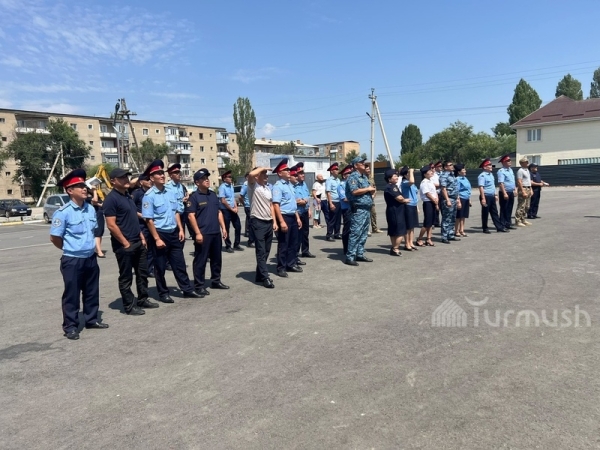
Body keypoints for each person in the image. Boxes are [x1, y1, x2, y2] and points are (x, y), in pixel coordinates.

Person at [49, 169, 108, 340]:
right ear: (69, 190)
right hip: (73, 259)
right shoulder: (63, 212)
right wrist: (71, 249)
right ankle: (71, 326)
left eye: (84, 185)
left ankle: (91, 319)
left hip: (90, 257)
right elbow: (55, 238)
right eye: (79, 186)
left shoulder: (90, 209)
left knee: (91, 291)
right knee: (72, 294)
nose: (84, 188)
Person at [142, 159, 202, 303]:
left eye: (162, 173)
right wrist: (156, 238)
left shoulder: (170, 192)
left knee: (179, 263)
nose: (162, 175)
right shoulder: (149, 196)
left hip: (173, 232)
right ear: (151, 178)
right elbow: (148, 220)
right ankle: (163, 293)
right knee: (160, 266)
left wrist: (181, 229)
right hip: (160, 233)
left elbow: (176, 212)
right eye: (157, 174)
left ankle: (187, 289)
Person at [103, 168, 158, 316]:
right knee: (126, 276)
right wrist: (125, 243)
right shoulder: (111, 199)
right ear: (113, 181)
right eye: (121, 178)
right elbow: (111, 225)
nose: (126, 180)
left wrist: (141, 236)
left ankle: (143, 299)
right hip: (124, 245)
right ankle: (129, 305)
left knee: (142, 273)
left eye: (126, 177)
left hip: (137, 241)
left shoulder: (127, 196)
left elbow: (133, 218)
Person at [187, 168, 230, 296]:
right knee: (201, 259)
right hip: (203, 233)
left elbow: (218, 212)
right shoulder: (194, 197)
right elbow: (191, 216)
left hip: (215, 232)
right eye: (203, 178)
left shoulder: (212, 195)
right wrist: (197, 233)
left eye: (207, 178)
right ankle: (199, 285)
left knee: (217, 259)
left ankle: (216, 280)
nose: (207, 180)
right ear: (196, 182)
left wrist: (223, 227)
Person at [247, 166, 278, 288]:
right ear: (257, 176)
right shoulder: (253, 186)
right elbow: (250, 175)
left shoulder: (267, 189)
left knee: (266, 250)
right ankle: (265, 277)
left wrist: (274, 221)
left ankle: (259, 275)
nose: (266, 176)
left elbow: (271, 206)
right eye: (263, 174)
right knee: (260, 250)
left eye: (266, 174)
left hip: (268, 221)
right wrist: (262, 167)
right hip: (258, 222)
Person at [272, 158, 303, 277]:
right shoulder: (278, 186)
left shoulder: (289, 185)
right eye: (286, 170)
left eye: (289, 169)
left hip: (292, 216)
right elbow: (276, 205)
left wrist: (297, 218)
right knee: (283, 243)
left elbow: (292, 204)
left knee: (293, 242)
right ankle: (281, 267)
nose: (289, 171)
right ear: (280, 173)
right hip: (284, 216)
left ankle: (291, 264)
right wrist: (281, 221)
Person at [344, 157, 375, 266]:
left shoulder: (364, 177)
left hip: (366, 208)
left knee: (363, 233)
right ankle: (350, 256)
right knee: (356, 232)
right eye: (361, 162)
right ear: (355, 165)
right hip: (358, 209)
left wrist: (371, 191)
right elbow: (354, 191)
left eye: (363, 162)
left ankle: (359, 254)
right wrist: (368, 189)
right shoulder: (353, 176)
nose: (363, 164)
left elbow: (369, 189)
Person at [478, 158, 509, 233]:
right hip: (485, 196)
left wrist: (495, 194)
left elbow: (492, 186)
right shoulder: (482, 176)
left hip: (491, 196)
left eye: (491, 164)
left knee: (494, 212)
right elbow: (481, 187)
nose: (491, 166)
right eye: (489, 165)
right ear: (484, 167)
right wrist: (483, 198)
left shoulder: (491, 175)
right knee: (485, 213)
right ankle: (485, 228)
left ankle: (499, 227)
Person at [384, 169, 410, 256]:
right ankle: (395, 248)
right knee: (400, 231)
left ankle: (394, 247)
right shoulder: (392, 187)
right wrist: (405, 200)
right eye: (394, 176)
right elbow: (399, 198)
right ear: (389, 178)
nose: (397, 177)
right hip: (396, 211)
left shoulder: (391, 186)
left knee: (394, 230)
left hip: (393, 210)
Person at [133, 174, 154, 277]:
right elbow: (132, 209)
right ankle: (141, 269)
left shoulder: (153, 193)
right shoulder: (137, 194)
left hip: (152, 224)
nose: (149, 181)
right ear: (141, 182)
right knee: (143, 248)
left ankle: (149, 269)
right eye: (147, 180)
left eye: (150, 179)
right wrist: (143, 216)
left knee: (151, 248)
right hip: (142, 224)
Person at [292, 162, 315, 258]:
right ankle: (295, 255)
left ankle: (305, 251)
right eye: (301, 174)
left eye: (303, 173)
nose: (303, 175)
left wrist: (309, 209)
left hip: (305, 211)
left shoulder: (304, 184)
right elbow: (294, 200)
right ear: (296, 175)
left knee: (305, 233)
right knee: (297, 235)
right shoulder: (293, 185)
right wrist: (300, 201)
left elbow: (307, 197)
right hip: (298, 212)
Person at [218, 170, 243, 252]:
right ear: (224, 178)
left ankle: (237, 244)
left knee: (238, 226)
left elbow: (232, 198)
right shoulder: (222, 187)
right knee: (226, 228)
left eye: (231, 176)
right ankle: (228, 246)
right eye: (229, 177)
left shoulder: (231, 186)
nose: (231, 178)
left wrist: (236, 207)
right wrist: (231, 209)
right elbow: (223, 200)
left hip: (232, 209)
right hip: (226, 210)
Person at [167, 163, 192, 239]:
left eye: (179, 172)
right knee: (176, 237)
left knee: (182, 236)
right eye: (176, 173)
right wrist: (181, 200)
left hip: (182, 213)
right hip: (174, 215)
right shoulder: (168, 187)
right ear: (171, 175)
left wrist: (185, 198)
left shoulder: (180, 186)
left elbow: (183, 196)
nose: (179, 174)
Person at [439, 160, 461, 244]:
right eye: (450, 165)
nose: (452, 166)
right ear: (445, 167)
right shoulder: (444, 175)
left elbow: (455, 188)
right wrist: (447, 200)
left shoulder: (452, 175)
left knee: (452, 217)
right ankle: (444, 236)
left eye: (452, 164)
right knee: (446, 218)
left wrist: (458, 199)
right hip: (448, 199)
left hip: (454, 198)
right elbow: (443, 189)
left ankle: (450, 234)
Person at [416, 166, 438, 247]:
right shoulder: (424, 182)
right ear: (425, 174)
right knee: (427, 223)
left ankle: (429, 238)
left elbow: (434, 192)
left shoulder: (430, 181)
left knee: (431, 223)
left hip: (433, 202)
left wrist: (436, 202)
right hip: (428, 202)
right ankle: (419, 239)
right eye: (429, 171)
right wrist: (434, 200)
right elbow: (427, 193)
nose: (431, 172)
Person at [399, 166, 419, 251]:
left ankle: (411, 242)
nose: (412, 174)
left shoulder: (412, 184)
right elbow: (412, 180)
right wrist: (410, 171)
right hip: (408, 205)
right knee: (408, 226)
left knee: (412, 226)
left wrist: (417, 207)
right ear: (405, 174)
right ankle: (407, 243)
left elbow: (414, 194)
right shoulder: (404, 182)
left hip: (413, 205)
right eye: (410, 173)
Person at [496, 154, 516, 230]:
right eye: (508, 161)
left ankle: (508, 223)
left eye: (510, 160)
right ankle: (502, 224)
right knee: (504, 208)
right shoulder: (501, 171)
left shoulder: (510, 170)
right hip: (505, 192)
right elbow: (501, 183)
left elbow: (512, 181)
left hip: (511, 191)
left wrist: (515, 189)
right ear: (503, 162)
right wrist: (504, 193)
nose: (510, 161)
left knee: (510, 208)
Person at [338, 165, 353, 255]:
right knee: (347, 229)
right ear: (344, 176)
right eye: (349, 173)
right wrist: (356, 197)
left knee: (354, 230)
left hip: (354, 208)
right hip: (347, 209)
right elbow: (345, 199)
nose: (351, 175)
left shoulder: (352, 184)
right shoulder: (341, 185)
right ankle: (346, 248)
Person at [87, 185, 106, 258]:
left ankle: (97, 249)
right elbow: (95, 200)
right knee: (97, 233)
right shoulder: (88, 195)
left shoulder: (95, 194)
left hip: (99, 213)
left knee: (100, 232)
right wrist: (94, 190)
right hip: (94, 214)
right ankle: (99, 251)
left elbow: (99, 202)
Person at [325, 162, 342, 241]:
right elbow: (328, 192)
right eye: (335, 169)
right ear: (331, 171)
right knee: (332, 219)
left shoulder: (338, 180)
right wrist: (330, 203)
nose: (337, 170)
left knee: (338, 219)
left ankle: (337, 233)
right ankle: (329, 234)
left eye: (337, 169)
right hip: (333, 201)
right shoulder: (329, 180)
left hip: (339, 201)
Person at [454, 164, 472, 237]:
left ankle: (462, 230)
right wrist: (458, 201)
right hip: (461, 198)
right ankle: (456, 230)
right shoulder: (457, 179)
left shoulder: (465, 178)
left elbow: (468, 190)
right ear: (459, 172)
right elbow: (456, 190)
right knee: (458, 216)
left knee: (463, 215)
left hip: (466, 198)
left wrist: (469, 199)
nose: (465, 171)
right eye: (463, 170)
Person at [365, 163, 382, 236]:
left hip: (371, 199)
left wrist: (374, 195)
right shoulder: (362, 178)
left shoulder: (370, 177)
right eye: (367, 169)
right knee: (366, 215)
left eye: (369, 169)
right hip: (365, 199)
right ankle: (366, 230)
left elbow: (374, 187)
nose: (368, 170)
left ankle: (374, 228)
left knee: (373, 214)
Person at [515, 157, 533, 227]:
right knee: (521, 205)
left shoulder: (527, 170)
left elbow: (529, 181)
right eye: (526, 162)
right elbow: (519, 181)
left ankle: (523, 219)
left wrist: (531, 189)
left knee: (527, 206)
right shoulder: (520, 171)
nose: (527, 163)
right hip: (523, 188)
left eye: (527, 161)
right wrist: (523, 191)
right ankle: (518, 221)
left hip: (528, 188)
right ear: (522, 163)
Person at [239, 173, 255, 247]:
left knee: (253, 223)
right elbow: (240, 197)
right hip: (248, 206)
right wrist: (244, 204)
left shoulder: (255, 183)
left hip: (254, 206)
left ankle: (253, 239)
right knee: (251, 223)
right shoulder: (246, 185)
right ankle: (250, 241)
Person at [431, 161, 442, 227]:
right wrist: (441, 185)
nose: (440, 167)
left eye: (441, 166)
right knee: (436, 208)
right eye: (439, 166)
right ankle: (435, 222)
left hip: (441, 193)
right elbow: (433, 184)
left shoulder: (439, 174)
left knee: (441, 208)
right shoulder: (432, 175)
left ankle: (440, 221)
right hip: (436, 193)